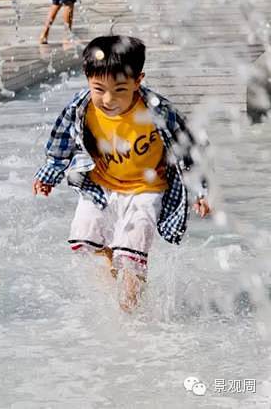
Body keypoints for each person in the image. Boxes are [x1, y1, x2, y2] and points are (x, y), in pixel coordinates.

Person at [32, 35, 211, 312]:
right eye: (99, 88)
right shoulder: (81, 107)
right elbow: (61, 144)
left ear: (138, 81)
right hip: (100, 187)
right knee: (87, 238)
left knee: (132, 249)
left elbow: (190, 148)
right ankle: (112, 300)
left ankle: (130, 312)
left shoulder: (157, 110)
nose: (108, 99)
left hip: (146, 189)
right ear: (87, 77)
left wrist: (200, 190)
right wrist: (50, 173)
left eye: (119, 89)